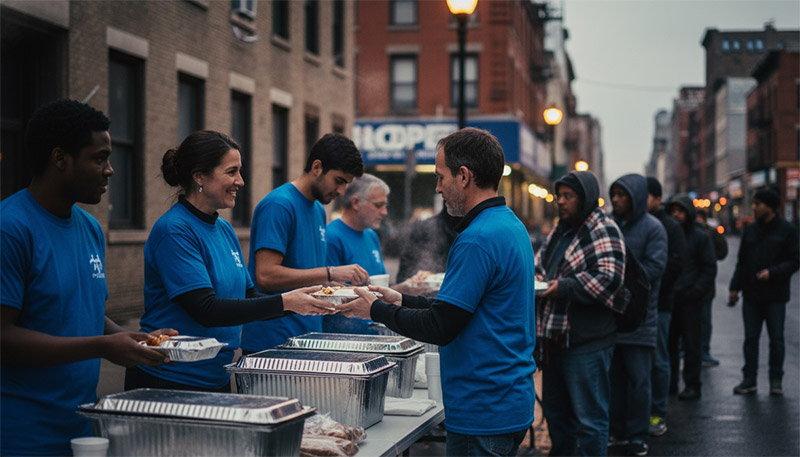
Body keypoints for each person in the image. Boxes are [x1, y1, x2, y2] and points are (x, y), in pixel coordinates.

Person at [340, 127, 536, 457]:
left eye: (440, 176)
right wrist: (400, 299)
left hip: (484, 411)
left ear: (464, 176)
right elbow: (459, 308)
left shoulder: (477, 238)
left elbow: (441, 326)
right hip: (505, 401)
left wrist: (374, 310)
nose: (437, 188)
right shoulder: (509, 224)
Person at [0, 100, 175, 456]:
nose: (110, 170)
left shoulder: (91, 228)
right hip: (21, 435)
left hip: (82, 427)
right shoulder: (11, 228)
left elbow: (83, 310)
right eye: (99, 158)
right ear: (60, 159)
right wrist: (102, 347)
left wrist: (130, 339)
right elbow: (3, 336)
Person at [125, 130, 334, 393]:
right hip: (170, 379)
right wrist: (286, 302)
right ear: (199, 175)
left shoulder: (224, 229)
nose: (241, 181)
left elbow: (249, 298)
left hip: (217, 376)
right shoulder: (174, 230)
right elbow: (206, 309)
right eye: (231, 172)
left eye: (240, 171)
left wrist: (303, 301)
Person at [240, 133, 366, 353]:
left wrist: (332, 289)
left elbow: (307, 272)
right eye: (339, 181)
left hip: (309, 338)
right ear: (317, 167)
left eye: (346, 184)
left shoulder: (318, 209)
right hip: (272, 343)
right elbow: (266, 276)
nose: (341, 192)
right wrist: (331, 273)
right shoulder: (279, 205)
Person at [534, 170, 629, 457]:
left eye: (568, 196)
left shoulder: (604, 228)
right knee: (557, 417)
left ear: (585, 198)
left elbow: (610, 276)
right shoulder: (559, 231)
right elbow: (539, 265)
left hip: (588, 341)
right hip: (555, 341)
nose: (560, 202)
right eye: (558, 196)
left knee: (590, 421)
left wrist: (563, 286)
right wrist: (539, 281)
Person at [607, 175, 667, 457]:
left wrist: (616, 277)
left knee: (639, 381)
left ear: (636, 197)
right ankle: (617, 431)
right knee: (614, 380)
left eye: (622, 194)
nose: (616, 199)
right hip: (611, 319)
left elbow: (655, 268)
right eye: (614, 194)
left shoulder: (654, 228)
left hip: (640, 318)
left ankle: (639, 435)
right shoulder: (610, 225)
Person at [729, 189, 799, 396]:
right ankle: (749, 379)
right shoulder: (750, 230)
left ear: (769, 206)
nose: (754, 207)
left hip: (775, 295)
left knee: (776, 339)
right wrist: (734, 288)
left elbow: (795, 260)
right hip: (751, 294)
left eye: (758, 204)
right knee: (751, 339)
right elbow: (742, 262)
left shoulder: (787, 230)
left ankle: (775, 380)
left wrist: (773, 273)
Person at [323, 173, 391, 334]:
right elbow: (328, 293)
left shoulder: (371, 235)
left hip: (374, 333)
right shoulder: (331, 237)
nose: (384, 212)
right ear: (355, 202)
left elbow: (379, 287)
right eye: (378, 205)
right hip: (342, 339)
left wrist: (408, 288)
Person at [645, 177, 687, 437]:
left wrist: (650, 287)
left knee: (659, 357)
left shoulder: (670, 226)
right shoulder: (635, 222)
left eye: (647, 196)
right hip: (639, 305)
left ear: (658, 199)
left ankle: (657, 412)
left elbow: (674, 264)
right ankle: (642, 410)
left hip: (661, 303)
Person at [666, 195, 716, 401]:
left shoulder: (700, 236)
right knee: (669, 345)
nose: (676, 215)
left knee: (691, 345)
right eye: (673, 210)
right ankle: (671, 384)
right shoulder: (667, 233)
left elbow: (708, 267)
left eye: (680, 210)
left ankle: (693, 385)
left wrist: (696, 291)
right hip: (671, 298)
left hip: (691, 299)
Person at [695, 208, 728, 367]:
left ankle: (704, 351)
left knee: (705, 320)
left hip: (706, 287)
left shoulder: (711, 233)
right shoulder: (686, 231)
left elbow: (722, 252)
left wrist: (710, 253)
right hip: (688, 285)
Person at [396, 205, 461, 283]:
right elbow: (405, 274)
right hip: (428, 293)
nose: (439, 191)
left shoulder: (473, 231)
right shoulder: (424, 229)